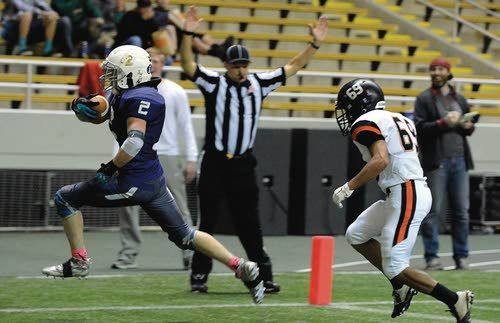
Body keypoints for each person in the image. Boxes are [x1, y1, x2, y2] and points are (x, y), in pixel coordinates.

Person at [41, 45, 265, 305]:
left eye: (114, 72)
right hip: (152, 177)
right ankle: (241, 266)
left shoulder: (144, 97)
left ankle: (79, 261)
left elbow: (134, 141)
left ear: (130, 73)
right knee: (184, 235)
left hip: (134, 180)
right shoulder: (125, 92)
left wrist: (110, 168)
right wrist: (86, 108)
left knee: (65, 199)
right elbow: (104, 112)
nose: (109, 77)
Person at [179, 5, 328, 294]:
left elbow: (293, 66)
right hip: (215, 161)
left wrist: (315, 44)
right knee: (206, 221)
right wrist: (187, 33)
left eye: (244, 65)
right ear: (226, 66)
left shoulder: (259, 83)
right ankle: (199, 276)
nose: (241, 70)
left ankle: (263, 276)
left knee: (249, 223)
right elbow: (187, 64)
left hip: (243, 164)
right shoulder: (213, 83)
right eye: (236, 66)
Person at [332, 79, 474, 322]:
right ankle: (402, 286)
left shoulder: (364, 122)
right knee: (356, 234)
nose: (345, 113)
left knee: (396, 264)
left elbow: (380, 161)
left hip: (406, 191)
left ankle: (455, 299)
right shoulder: (398, 117)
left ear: (359, 103)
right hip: (405, 190)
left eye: (347, 106)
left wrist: (349, 187)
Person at [111, 47, 198, 270]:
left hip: (167, 154)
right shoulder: (124, 92)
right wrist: (116, 155)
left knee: (178, 205)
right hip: (135, 155)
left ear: (163, 63)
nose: (155, 64)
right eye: (151, 60)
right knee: (127, 204)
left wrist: (191, 158)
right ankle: (128, 253)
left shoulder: (175, 91)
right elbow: (119, 129)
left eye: (158, 61)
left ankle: (190, 253)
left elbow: (185, 127)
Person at [413, 58, 476, 271]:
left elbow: (467, 128)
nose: (436, 72)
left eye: (440, 69)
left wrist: (467, 125)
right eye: (433, 69)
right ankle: (432, 257)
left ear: (448, 72)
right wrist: (443, 123)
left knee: (461, 212)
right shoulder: (424, 99)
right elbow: (419, 128)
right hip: (437, 162)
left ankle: (461, 256)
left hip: (460, 161)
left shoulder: (459, 98)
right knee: (432, 211)